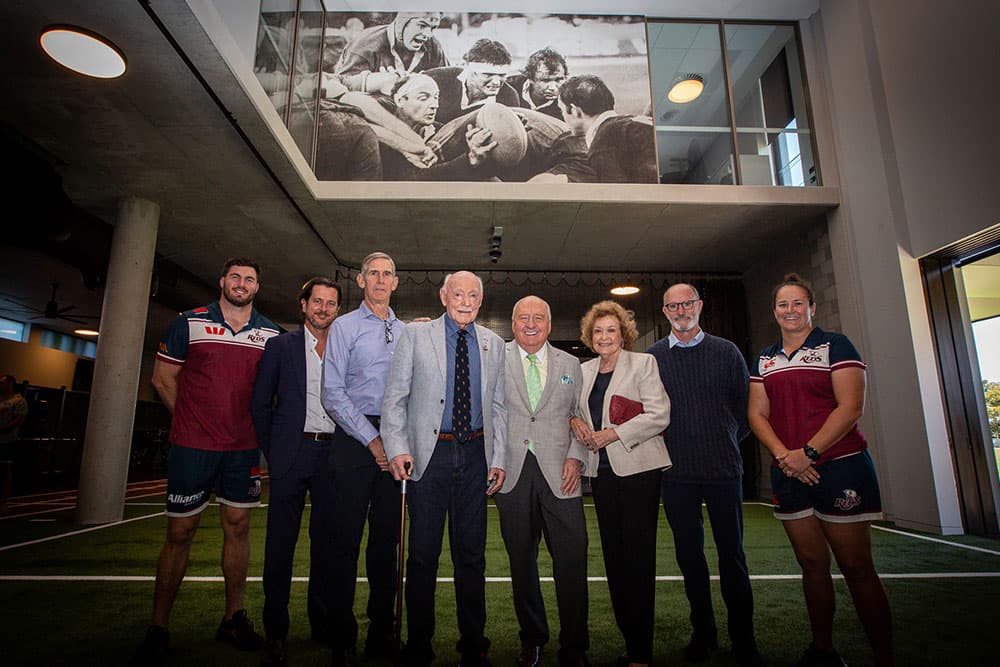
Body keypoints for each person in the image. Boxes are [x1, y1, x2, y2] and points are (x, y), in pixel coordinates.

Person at [133, 258, 280, 666]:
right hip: (192, 449)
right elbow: (163, 379)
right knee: (180, 532)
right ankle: (158, 626)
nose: (241, 283)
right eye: (235, 276)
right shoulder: (189, 322)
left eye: (250, 278)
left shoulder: (270, 333)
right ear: (222, 281)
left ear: (257, 287)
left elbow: (275, 392)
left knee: (238, 527)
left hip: (242, 449)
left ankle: (233, 617)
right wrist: (191, 423)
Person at [748, 273, 894, 667]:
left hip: (840, 467)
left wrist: (808, 453)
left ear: (812, 307)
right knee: (811, 565)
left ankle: (885, 657)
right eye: (783, 304)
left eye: (798, 303)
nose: (790, 311)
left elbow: (850, 407)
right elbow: (757, 413)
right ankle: (823, 651)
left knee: (856, 566)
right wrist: (785, 456)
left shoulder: (837, 345)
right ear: (774, 311)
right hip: (789, 470)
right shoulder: (765, 356)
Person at [381, 271, 506, 667]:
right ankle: (419, 644)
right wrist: (397, 448)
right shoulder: (415, 336)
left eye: (473, 295)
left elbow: (499, 407)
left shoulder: (493, 343)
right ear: (443, 296)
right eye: (458, 293)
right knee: (422, 556)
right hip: (428, 457)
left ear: (481, 301)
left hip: (475, 457)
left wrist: (498, 458)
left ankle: (474, 645)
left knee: (471, 557)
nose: (465, 301)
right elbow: (395, 399)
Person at [646, 283, 762, 667]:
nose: (681, 310)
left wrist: (720, 440)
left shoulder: (726, 352)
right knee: (690, 557)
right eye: (673, 305)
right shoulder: (653, 358)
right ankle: (704, 632)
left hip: (723, 470)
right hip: (675, 474)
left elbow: (745, 414)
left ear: (700, 306)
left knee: (733, 557)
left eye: (687, 303)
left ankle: (744, 640)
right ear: (665, 311)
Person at [569, 301, 670, 667]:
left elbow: (659, 414)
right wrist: (573, 423)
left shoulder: (643, 364)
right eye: (598, 331)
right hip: (603, 475)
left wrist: (612, 434)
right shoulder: (583, 371)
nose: (604, 336)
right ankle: (630, 639)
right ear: (589, 336)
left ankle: (641, 651)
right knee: (614, 558)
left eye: (611, 330)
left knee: (638, 560)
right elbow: (572, 410)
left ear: (623, 333)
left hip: (640, 472)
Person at [250, 276, 341, 666]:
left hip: (332, 456)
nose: (323, 308)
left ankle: (320, 624)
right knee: (280, 547)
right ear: (303, 305)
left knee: (326, 546)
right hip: (291, 454)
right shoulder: (279, 346)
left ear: (337, 310)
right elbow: (259, 404)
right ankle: (276, 630)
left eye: (330, 303)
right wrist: (276, 451)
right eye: (316, 301)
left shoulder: (344, 347)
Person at [495, 296, 589, 667]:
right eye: (523, 318)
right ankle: (531, 638)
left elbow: (580, 415)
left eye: (538, 318)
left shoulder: (571, 363)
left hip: (561, 472)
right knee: (521, 561)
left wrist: (576, 457)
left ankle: (575, 646)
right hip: (512, 473)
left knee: (572, 559)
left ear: (549, 325)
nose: (530, 324)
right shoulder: (495, 358)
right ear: (512, 322)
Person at [320, 252, 404, 664]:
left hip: (396, 438)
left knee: (386, 543)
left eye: (387, 274)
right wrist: (373, 440)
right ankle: (342, 635)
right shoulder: (343, 326)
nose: (380, 280)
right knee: (345, 542)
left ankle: (381, 632)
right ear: (361, 280)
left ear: (396, 282)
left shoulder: (407, 332)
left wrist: (397, 440)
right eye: (374, 273)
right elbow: (331, 393)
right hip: (354, 439)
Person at [548, 74, 657, 183]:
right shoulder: (627, 123)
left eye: (562, 110)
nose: (563, 115)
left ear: (574, 110)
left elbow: (619, 195)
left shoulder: (603, 143)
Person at [424, 39, 520, 124]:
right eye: (488, 74)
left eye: (502, 75)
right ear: (469, 70)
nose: (496, 82)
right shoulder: (436, 79)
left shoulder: (509, 98)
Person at [336, 13, 448, 79]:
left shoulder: (433, 45)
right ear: (402, 22)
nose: (428, 35)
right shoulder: (364, 45)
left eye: (433, 28)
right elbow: (343, 88)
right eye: (422, 25)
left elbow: (447, 82)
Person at [507, 48, 568, 120]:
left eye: (559, 80)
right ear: (530, 79)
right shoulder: (508, 88)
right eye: (545, 80)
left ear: (566, 78)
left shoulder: (570, 100)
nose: (552, 87)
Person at [0, 374, 27, 444]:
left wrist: (2, 430)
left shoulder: (19, 401)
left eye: (2, 383)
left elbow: (17, 422)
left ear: (10, 384)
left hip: (6, 441)